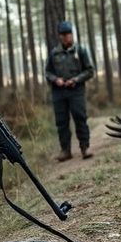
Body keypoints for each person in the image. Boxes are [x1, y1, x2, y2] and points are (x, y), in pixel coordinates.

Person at [44, 21, 95, 162]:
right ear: (60, 36)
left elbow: (90, 71)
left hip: (76, 91)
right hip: (59, 93)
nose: (66, 37)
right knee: (61, 122)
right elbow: (47, 72)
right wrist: (56, 80)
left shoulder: (80, 51)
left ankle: (85, 147)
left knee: (80, 118)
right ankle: (65, 150)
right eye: (63, 35)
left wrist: (76, 79)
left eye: (68, 34)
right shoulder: (54, 53)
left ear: (72, 35)